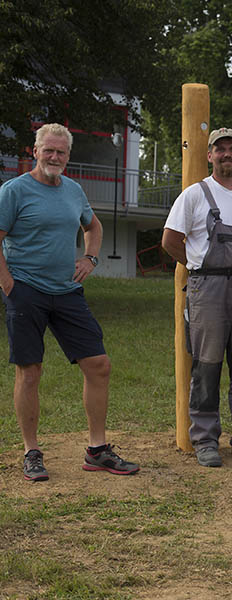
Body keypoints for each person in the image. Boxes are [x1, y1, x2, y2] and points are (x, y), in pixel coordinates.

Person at [0, 123, 139, 481]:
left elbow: (93, 227)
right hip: (26, 291)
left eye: (61, 152)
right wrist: (9, 285)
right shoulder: (14, 191)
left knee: (99, 365)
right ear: (35, 151)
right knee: (30, 372)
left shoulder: (74, 191)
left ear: (68, 156)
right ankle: (31, 451)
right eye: (48, 150)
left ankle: (97, 450)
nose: (55, 157)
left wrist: (90, 259)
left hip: (66, 292)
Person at [162, 127, 232, 468]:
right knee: (207, 365)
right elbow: (170, 240)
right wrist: (197, 264)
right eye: (219, 149)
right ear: (209, 155)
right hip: (207, 289)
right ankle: (205, 439)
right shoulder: (194, 195)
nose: (226, 154)